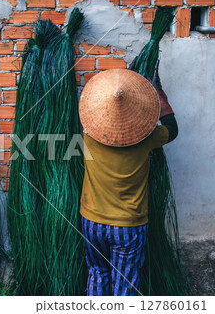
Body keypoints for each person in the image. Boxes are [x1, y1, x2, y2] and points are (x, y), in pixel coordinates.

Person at [78, 64, 178, 296]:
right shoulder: (148, 138)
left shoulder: (89, 133)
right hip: (128, 225)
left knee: (97, 271)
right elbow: (173, 130)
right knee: (125, 281)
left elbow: (90, 109)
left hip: (92, 220)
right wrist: (159, 97)